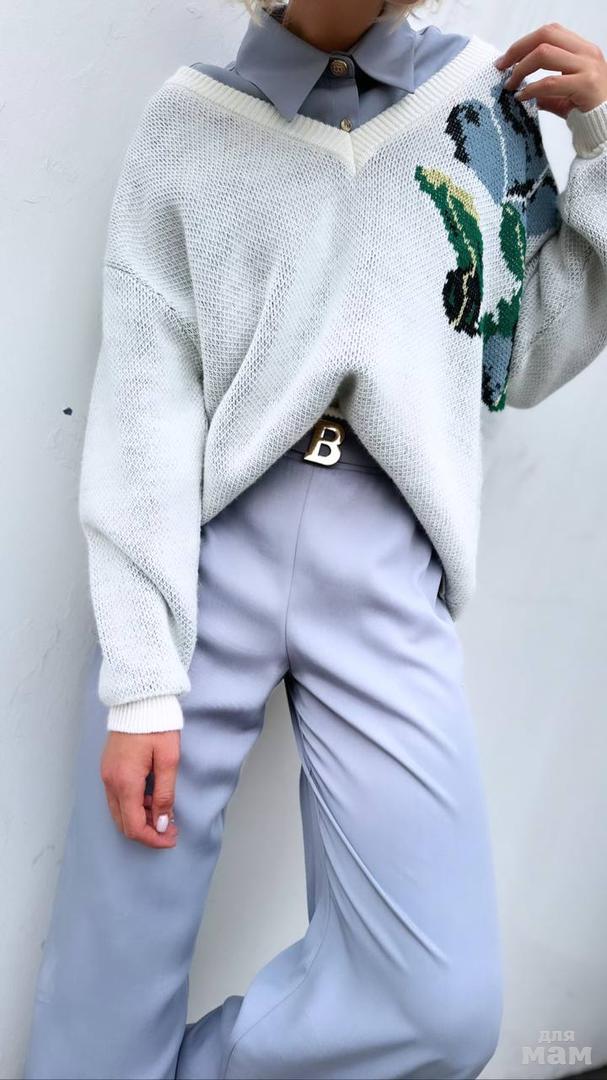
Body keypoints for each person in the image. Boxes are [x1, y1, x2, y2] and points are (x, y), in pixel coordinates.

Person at [23, 1, 607, 1077]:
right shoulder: (190, 123)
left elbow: (521, 357)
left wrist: (603, 153)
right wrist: (142, 683)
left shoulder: (479, 101)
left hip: (387, 564)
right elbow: (145, 405)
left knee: (438, 1007)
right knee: (98, 1021)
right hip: (204, 567)